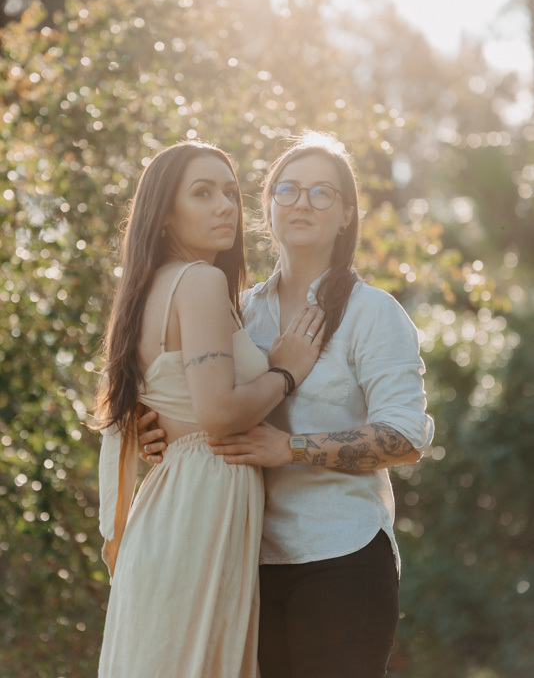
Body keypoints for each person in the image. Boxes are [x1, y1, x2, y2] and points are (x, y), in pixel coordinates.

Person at [139, 130, 435, 678]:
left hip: (340, 557)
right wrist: (155, 430)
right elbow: (202, 402)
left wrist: (290, 448)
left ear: (347, 214)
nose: (303, 202)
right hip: (242, 555)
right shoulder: (237, 310)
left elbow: (405, 437)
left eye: (322, 193)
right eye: (288, 189)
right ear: (268, 204)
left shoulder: (373, 313)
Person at [95, 140, 324, 678]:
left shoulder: (149, 288)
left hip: (178, 501)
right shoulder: (199, 280)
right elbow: (219, 414)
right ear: (165, 214)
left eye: (230, 192)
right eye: (202, 193)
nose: (225, 205)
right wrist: (285, 371)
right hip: (199, 507)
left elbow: (167, 402)